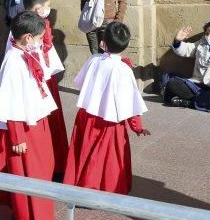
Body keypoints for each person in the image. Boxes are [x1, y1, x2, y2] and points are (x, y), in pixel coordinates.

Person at [0, 11, 57, 220]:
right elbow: (10, 101)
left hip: (36, 120)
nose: (42, 42)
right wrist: (17, 136)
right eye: (40, 38)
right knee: (27, 174)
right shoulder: (13, 62)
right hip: (23, 128)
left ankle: (40, 214)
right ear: (28, 37)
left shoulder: (27, 52)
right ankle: (27, 219)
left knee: (42, 169)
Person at [64, 22, 151, 194]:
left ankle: (79, 183)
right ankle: (99, 188)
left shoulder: (93, 59)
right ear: (126, 45)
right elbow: (129, 103)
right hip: (110, 121)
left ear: (103, 41)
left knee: (84, 150)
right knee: (104, 157)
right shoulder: (123, 70)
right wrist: (137, 127)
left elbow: (80, 82)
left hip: (87, 114)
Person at [21, 0, 69, 179]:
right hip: (34, 81)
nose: (49, 9)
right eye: (47, 5)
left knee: (53, 124)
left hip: (47, 78)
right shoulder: (23, 28)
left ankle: (56, 163)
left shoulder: (44, 22)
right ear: (38, 8)